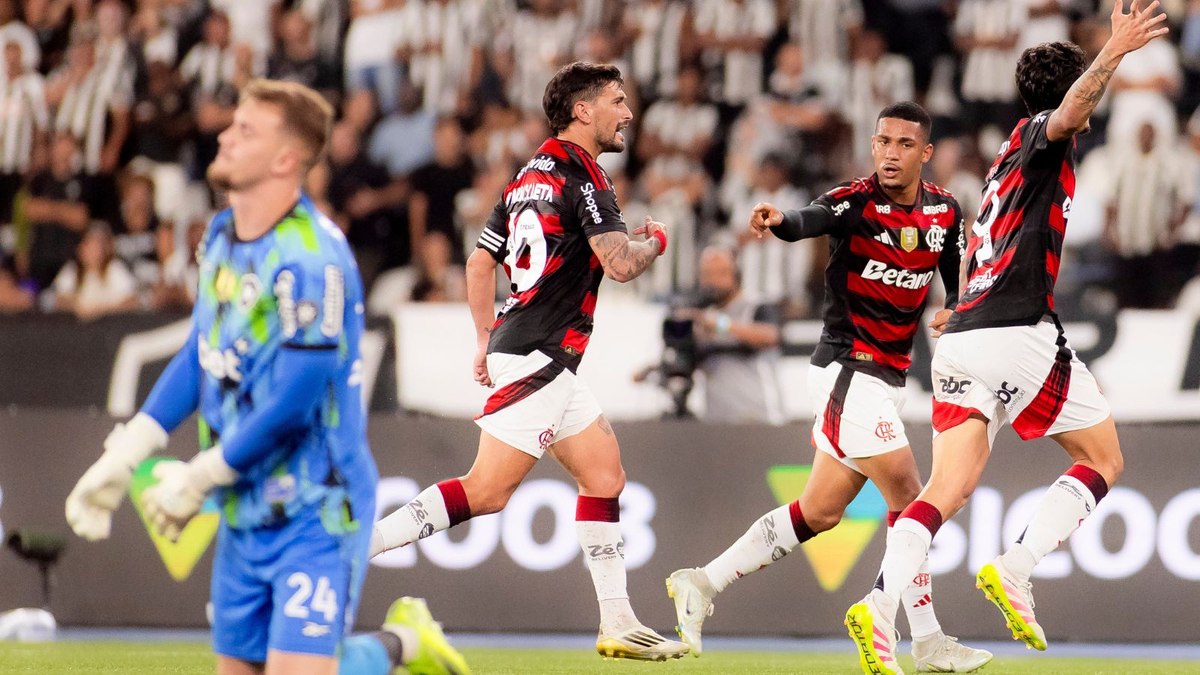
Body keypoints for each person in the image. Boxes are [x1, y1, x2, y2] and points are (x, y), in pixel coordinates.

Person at [63, 79, 469, 675]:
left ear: (286, 159)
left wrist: (200, 475)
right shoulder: (223, 236)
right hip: (244, 502)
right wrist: (128, 451)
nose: (225, 135)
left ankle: (399, 647)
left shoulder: (313, 259)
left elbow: (295, 401)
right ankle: (403, 644)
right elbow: (202, 351)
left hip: (318, 505)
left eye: (246, 130)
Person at [843, 4, 1168, 674]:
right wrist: (1114, 53)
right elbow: (1072, 112)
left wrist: (957, 303)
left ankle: (879, 604)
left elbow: (986, 243)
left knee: (946, 489)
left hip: (963, 333)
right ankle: (1017, 566)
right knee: (1104, 458)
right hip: (1016, 327)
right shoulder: (1046, 137)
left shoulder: (1006, 156)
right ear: (1073, 91)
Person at [369, 61, 690, 662]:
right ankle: (357, 546)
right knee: (487, 491)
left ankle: (618, 622)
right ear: (583, 111)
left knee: (604, 475)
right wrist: (657, 242)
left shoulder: (526, 175)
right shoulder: (586, 178)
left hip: (534, 350)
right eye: (617, 101)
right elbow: (620, 264)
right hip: (542, 353)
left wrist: (482, 337)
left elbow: (478, 263)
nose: (628, 112)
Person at [667, 102, 992, 673]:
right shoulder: (854, 201)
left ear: (925, 153)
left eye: (903, 144)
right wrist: (777, 219)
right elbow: (807, 220)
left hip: (887, 379)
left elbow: (955, 282)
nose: (890, 153)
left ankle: (702, 581)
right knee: (913, 499)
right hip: (848, 369)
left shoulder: (945, 212)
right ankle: (924, 637)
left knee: (819, 512)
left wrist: (955, 312)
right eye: (882, 141)